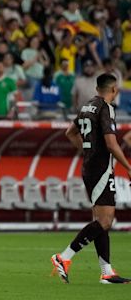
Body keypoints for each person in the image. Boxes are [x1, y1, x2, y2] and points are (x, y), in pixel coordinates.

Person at [51, 74, 131, 284]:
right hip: (101, 169)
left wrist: (87, 152)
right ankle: (63, 257)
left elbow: (70, 132)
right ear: (113, 90)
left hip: (90, 168)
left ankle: (107, 272)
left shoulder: (87, 106)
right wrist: (128, 167)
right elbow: (112, 145)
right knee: (105, 220)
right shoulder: (106, 108)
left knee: (101, 221)